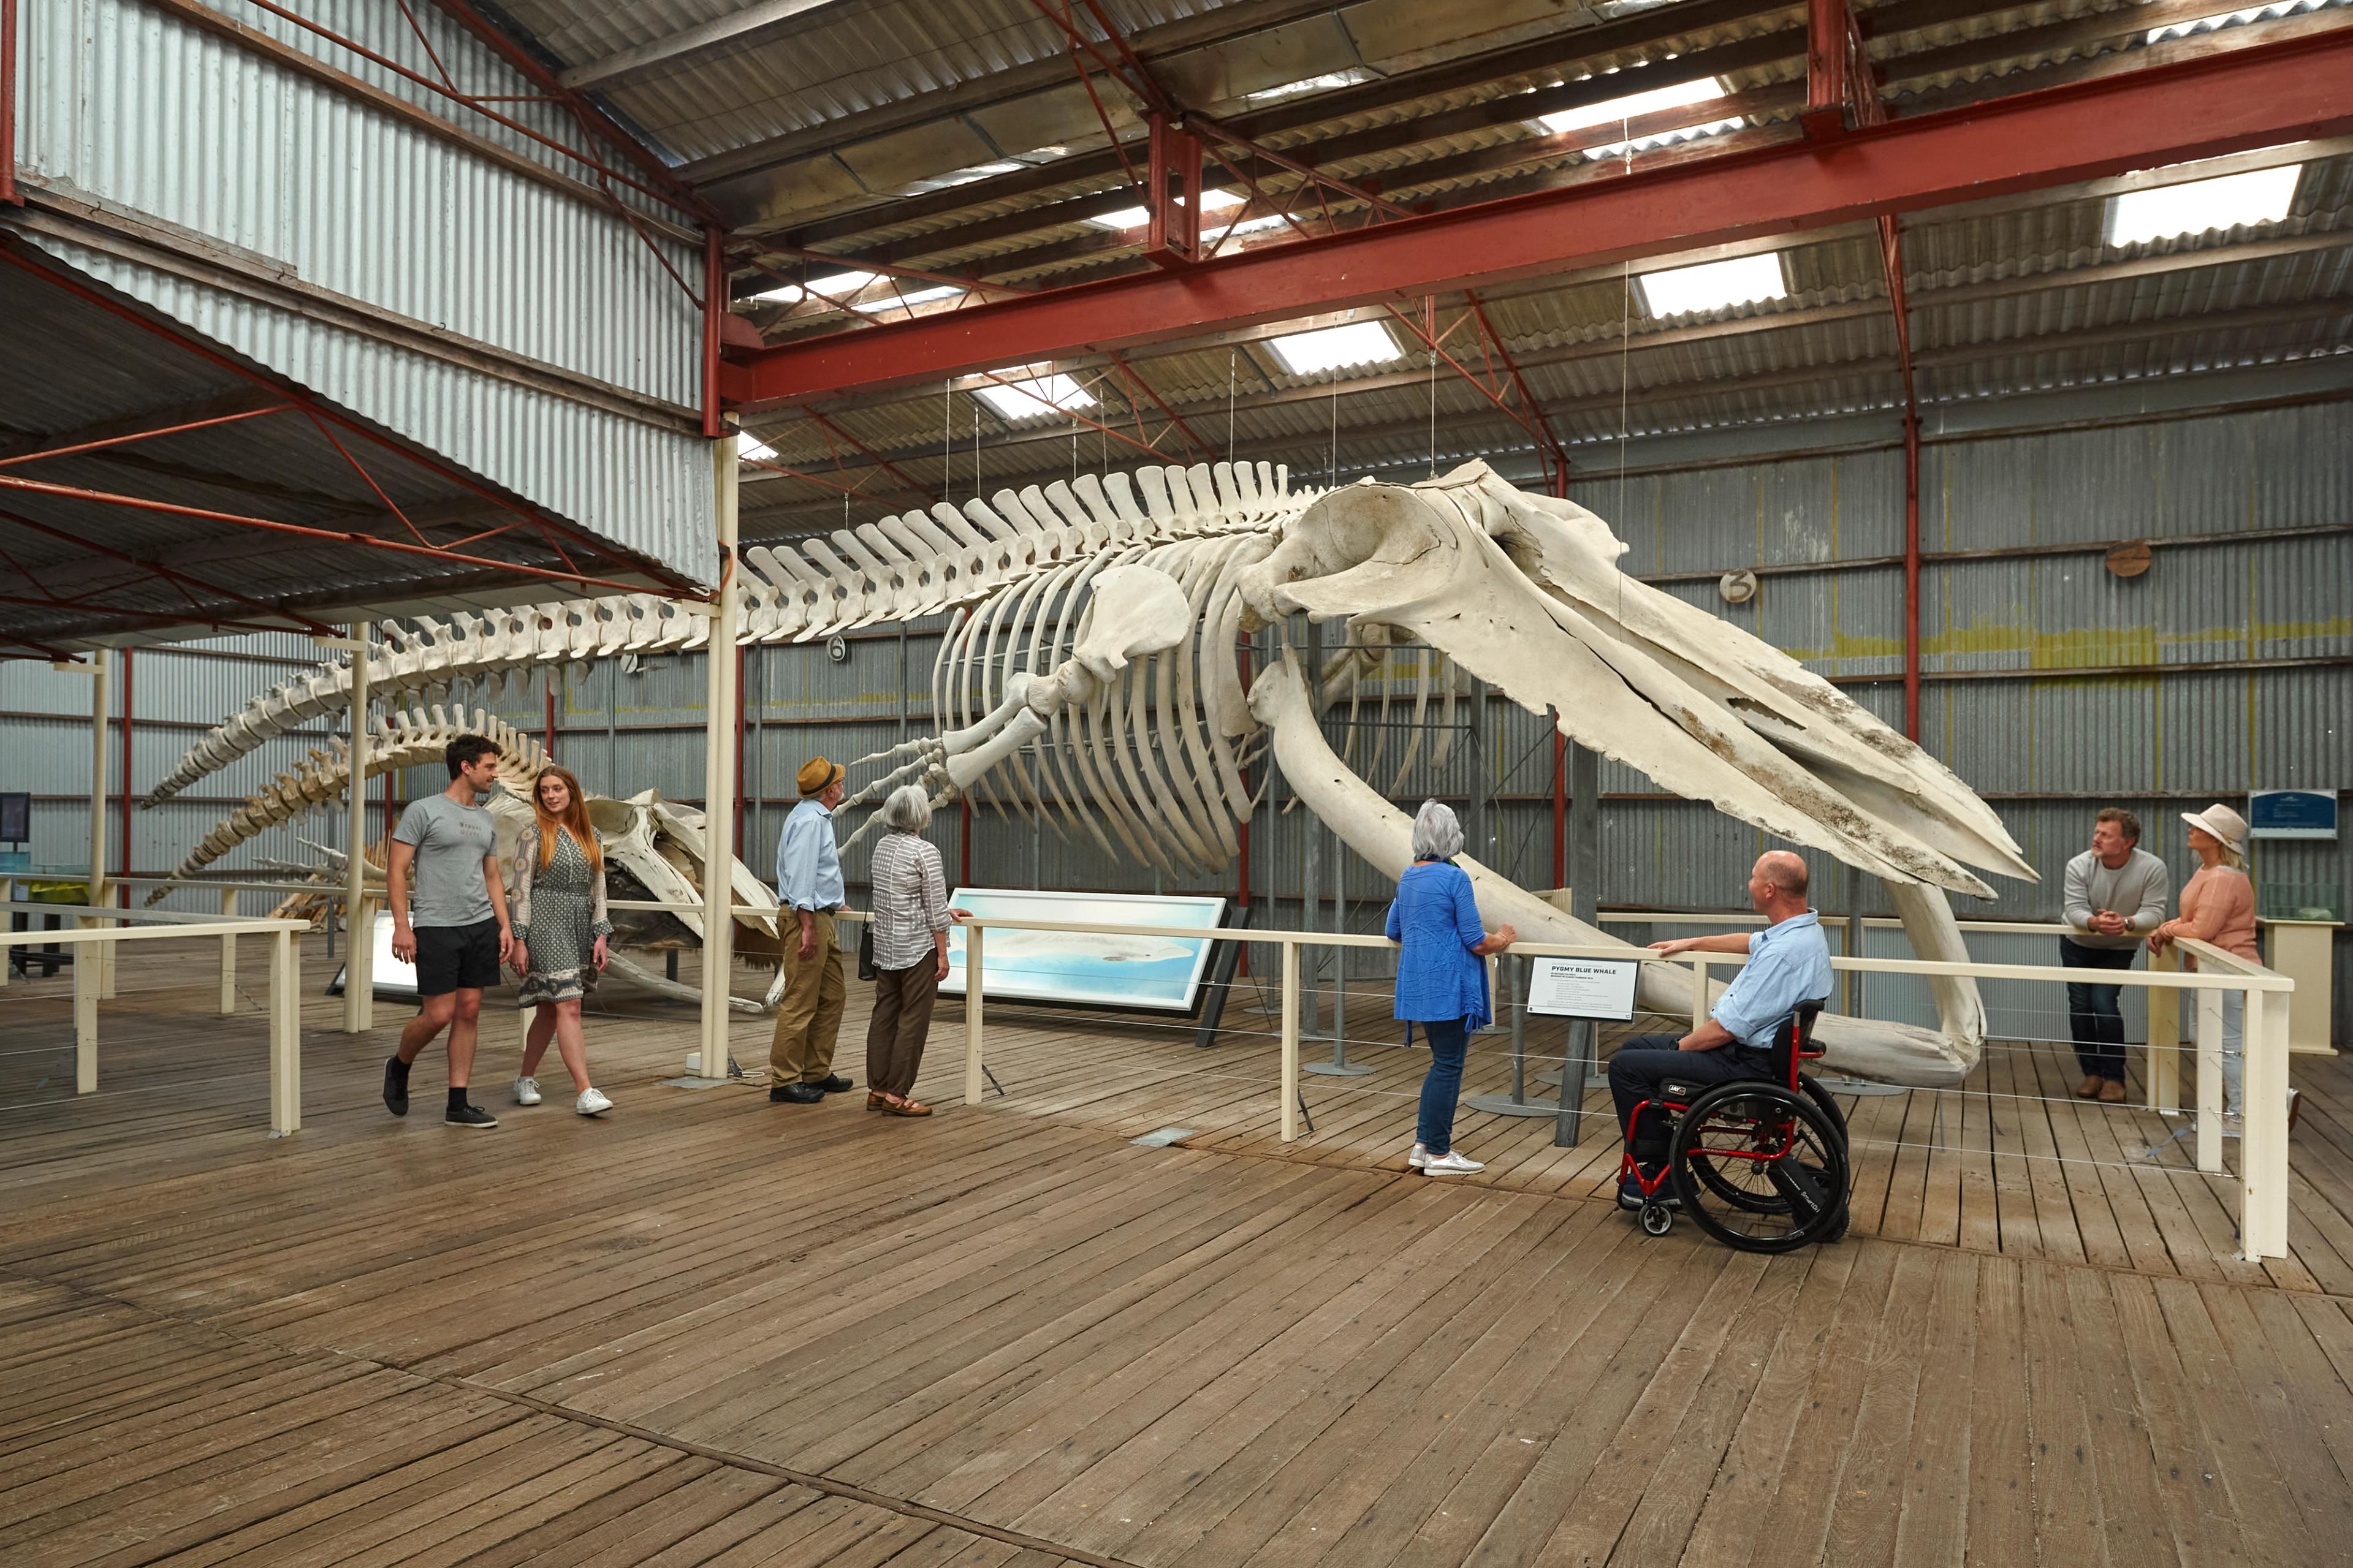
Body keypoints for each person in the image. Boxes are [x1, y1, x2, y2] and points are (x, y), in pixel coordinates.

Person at [1611, 850, 1831, 1208]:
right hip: (1760, 1057)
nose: (1749, 884)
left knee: (1626, 1067)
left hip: (1744, 1063)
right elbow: (1750, 941)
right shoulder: (1802, 932)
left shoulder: (1783, 955)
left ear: (1770, 889)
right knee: (1636, 1046)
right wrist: (1692, 943)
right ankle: (1663, 1158)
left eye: (1753, 877)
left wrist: (1678, 1050)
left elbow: (1724, 1031)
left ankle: (1661, 1175)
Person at [383, 733, 513, 1129]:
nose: (495, 774)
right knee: (438, 1014)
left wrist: (504, 925)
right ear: (466, 766)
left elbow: (491, 876)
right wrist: (403, 927)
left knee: (469, 1011)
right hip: (436, 925)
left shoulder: (485, 817)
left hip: (480, 925)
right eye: (489, 766)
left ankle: (458, 1103)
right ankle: (400, 1063)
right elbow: (396, 870)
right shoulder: (423, 811)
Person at [1385, 800, 1518, 1176]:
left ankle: (1424, 1146)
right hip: (1451, 986)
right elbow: (1477, 940)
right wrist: (1504, 938)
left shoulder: (1409, 876)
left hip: (1419, 983)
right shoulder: (1455, 878)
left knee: (1440, 1064)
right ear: (1452, 836)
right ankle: (1440, 1154)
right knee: (1447, 1066)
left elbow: (1393, 931)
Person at [509, 765, 615, 1118]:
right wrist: (519, 939)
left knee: (549, 1011)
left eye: (557, 789)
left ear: (572, 791)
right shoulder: (533, 835)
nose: (551, 796)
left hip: (580, 926)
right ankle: (585, 1091)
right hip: (544, 924)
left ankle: (525, 1078)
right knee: (569, 1005)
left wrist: (601, 933)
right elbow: (521, 892)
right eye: (544, 791)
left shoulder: (592, 835)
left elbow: (599, 888)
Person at [2148, 803, 2259, 1132]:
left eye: (2200, 829)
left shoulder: (2223, 878)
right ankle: (2262, 1101)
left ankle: (2241, 1116)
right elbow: (2192, 921)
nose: (2191, 831)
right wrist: (2170, 926)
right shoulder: (2209, 873)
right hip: (2211, 970)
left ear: (2216, 839)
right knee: (2209, 1038)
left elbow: (2201, 930)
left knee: (2226, 1044)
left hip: (2227, 969)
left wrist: (2166, 930)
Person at [863, 784, 970, 1116]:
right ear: (920, 815)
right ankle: (898, 1095)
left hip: (885, 948)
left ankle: (878, 1090)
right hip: (917, 950)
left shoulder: (881, 847)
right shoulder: (925, 852)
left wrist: (940, 913)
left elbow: (900, 897)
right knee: (913, 1021)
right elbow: (936, 909)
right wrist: (943, 953)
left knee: (884, 1016)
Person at [2059, 808, 2170, 1104]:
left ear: (2128, 842)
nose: (2096, 839)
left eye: (2106, 835)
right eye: (2097, 832)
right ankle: (2091, 1074)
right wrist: (2094, 923)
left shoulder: (2152, 868)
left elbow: (2156, 912)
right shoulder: (2078, 865)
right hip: (2078, 943)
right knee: (2080, 1007)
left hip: (2120, 946)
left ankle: (2114, 1078)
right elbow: (2074, 908)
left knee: (2104, 1004)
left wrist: (2126, 923)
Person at [771, 756, 852, 1104]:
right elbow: (802, 875)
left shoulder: (811, 816)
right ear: (831, 790)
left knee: (832, 995)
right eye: (839, 781)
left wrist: (834, 903)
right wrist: (807, 925)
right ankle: (785, 1079)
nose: (842, 784)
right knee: (801, 999)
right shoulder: (810, 822)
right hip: (809, 917)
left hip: (821, 914)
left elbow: (816, 873)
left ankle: (816, 1069)